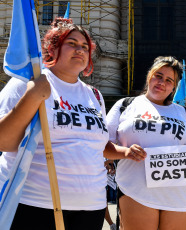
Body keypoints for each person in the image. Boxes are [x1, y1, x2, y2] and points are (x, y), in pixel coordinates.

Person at [0, 18, 109, 229]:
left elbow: (96, 146)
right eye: (72, 43)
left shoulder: (94, 95)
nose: (80, 50)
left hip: (91, 207)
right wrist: (32, 97)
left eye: (85, 46)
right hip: (32, 204)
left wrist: (125, 152)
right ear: (53, 48)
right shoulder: (26, 82)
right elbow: (3, 141)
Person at [104, 56, 186, 230]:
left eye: (169, 80)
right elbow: (102, 146)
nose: (162, 82)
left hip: (180, 195)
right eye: (158, 75)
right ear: (150, 76)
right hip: (137, 192)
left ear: (174, 86)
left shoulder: (184, 114)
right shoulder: (125, 105)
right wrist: (125, 152)